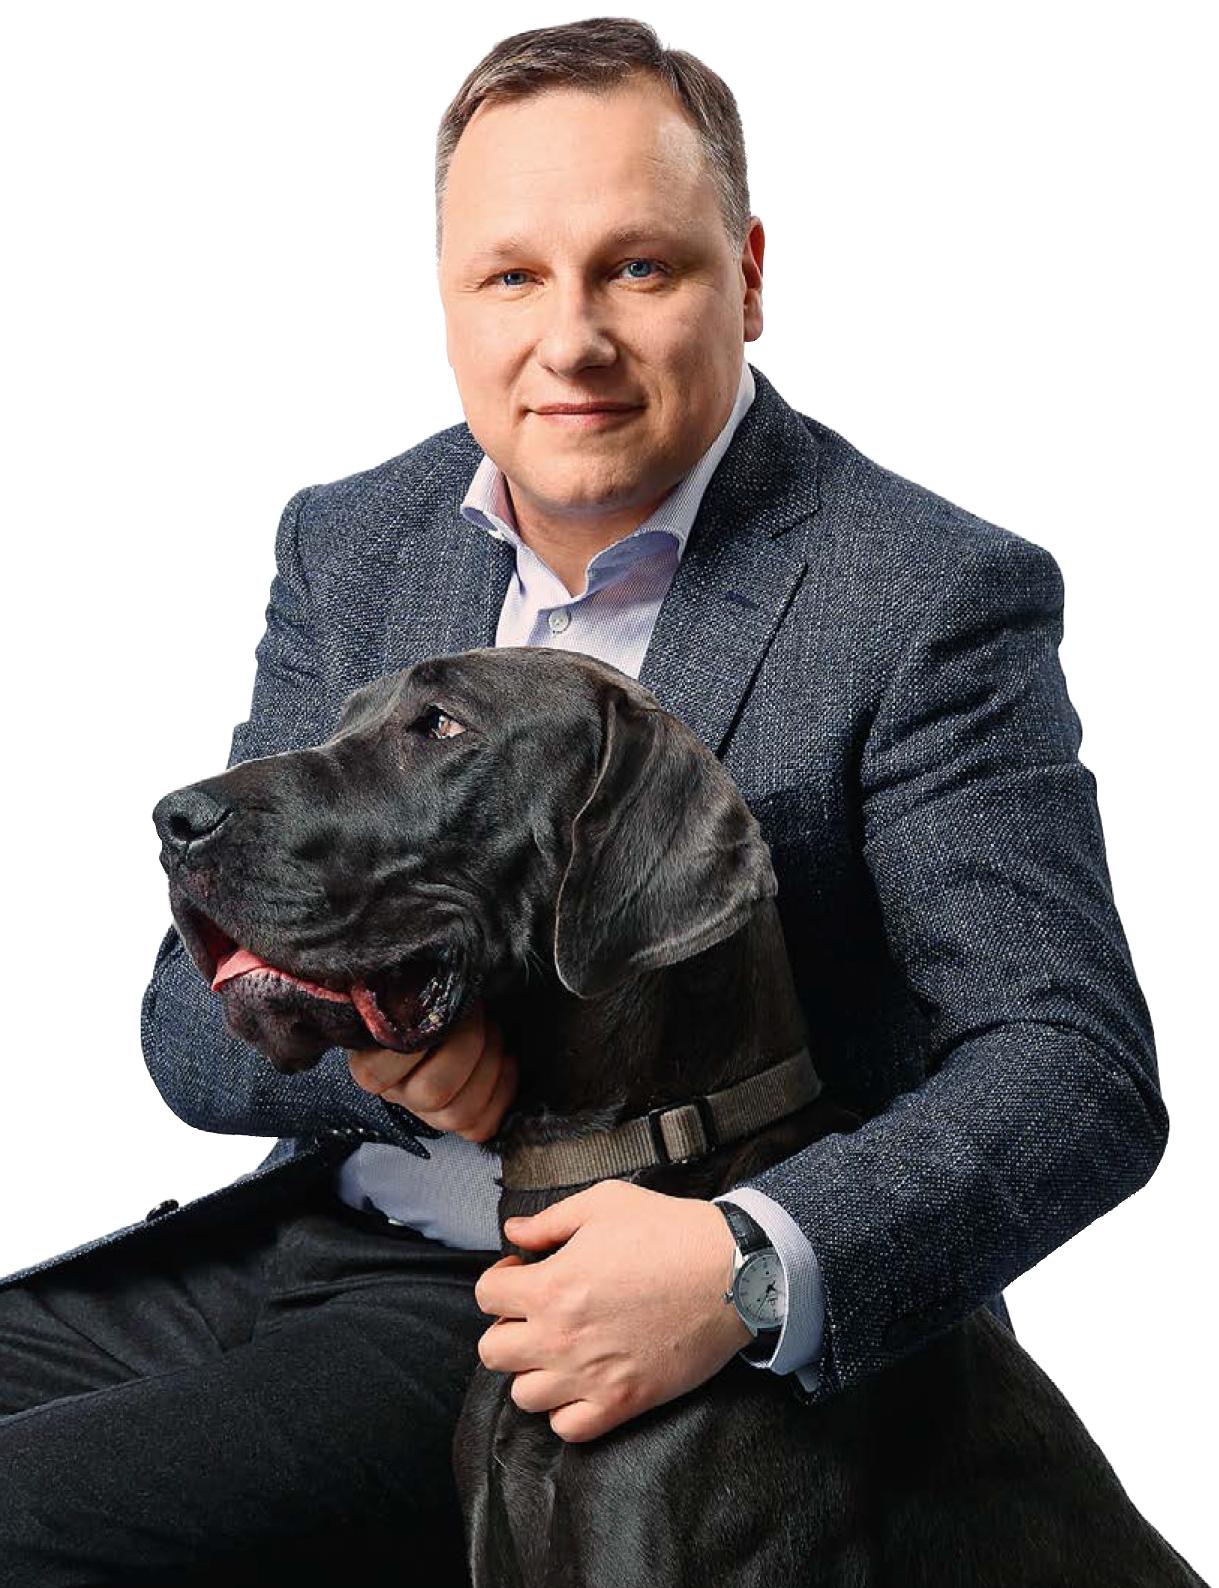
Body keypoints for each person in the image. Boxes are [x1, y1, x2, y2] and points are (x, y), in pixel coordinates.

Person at [0, 16, 1168, 1584]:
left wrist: (747, 1266)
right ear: (448, 296)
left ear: (747, 273)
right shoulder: (357, 537)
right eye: (511, 275)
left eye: (637, 267)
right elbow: (183, 1019)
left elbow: (1074, 1067)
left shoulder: (920, 595)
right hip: (298, 1239)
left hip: (611, 1333)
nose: (571, 339)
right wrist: (392, 1064)